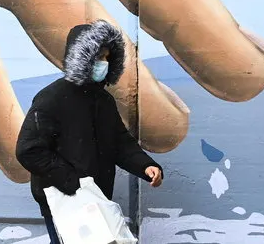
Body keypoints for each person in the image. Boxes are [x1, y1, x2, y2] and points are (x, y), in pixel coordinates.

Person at [15, 20, 164, 243]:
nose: (103, 63)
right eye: (98, 57)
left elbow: (120, 143)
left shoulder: (104, 101)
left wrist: (146, 166)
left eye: (106, 57)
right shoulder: (51, 98)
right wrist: (72, 182)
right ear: (81, 58)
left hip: (94, 199)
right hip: (62, 199)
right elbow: (29, 150)